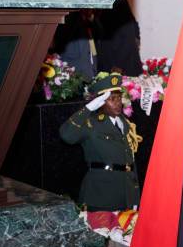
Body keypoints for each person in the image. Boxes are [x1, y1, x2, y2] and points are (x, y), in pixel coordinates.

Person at [59, 72, 141, 211]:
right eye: (111, 99)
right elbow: (67, 135)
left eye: (119, 98)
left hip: (126, 196)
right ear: (100, 103)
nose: (117, 103)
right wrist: (88, 108)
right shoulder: (91, 124)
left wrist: (135, 197)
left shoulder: (125, 123)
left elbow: (130, 163)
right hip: (101, 196)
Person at [99, 0, 143, 76]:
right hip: (123, 63)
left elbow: (127, 40)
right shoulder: (120, 2)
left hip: (120, 67)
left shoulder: (118, 5)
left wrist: (118, 65)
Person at [55, 10, 104, 81]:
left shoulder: (90, 21)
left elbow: (100, 34)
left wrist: (91, 17)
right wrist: (80, 12)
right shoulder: (71, 18)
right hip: (74, 70)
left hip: (90, 67)